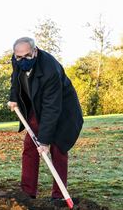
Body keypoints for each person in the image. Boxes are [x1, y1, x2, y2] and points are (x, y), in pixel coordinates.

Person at [7, 37, 83, 201]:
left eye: (27, 56)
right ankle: (27, 193)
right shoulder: (17, 60)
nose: (22, 60)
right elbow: (16, 80)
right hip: (38, 107)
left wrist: (45, 141)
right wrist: (13, 98)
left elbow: (52, 108)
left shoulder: (50, 69)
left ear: (35, 51)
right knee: (30, 145)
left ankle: (59, 196)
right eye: (19, 57)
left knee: (58, 148)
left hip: (62, 110)